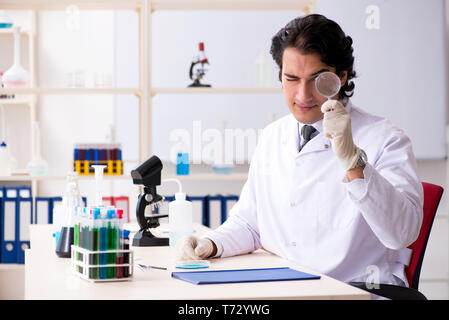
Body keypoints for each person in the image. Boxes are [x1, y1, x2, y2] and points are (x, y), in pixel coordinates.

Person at [178, 14, 423, 293]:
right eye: (291, 79)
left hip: (356, 291)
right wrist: (211, 244)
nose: (303, 95)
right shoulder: (273, 136)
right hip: (286, 287)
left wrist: (354, 161)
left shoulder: (386, 139)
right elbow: (250, 223)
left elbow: (401, 234)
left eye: (317, 80)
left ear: (341, 76)